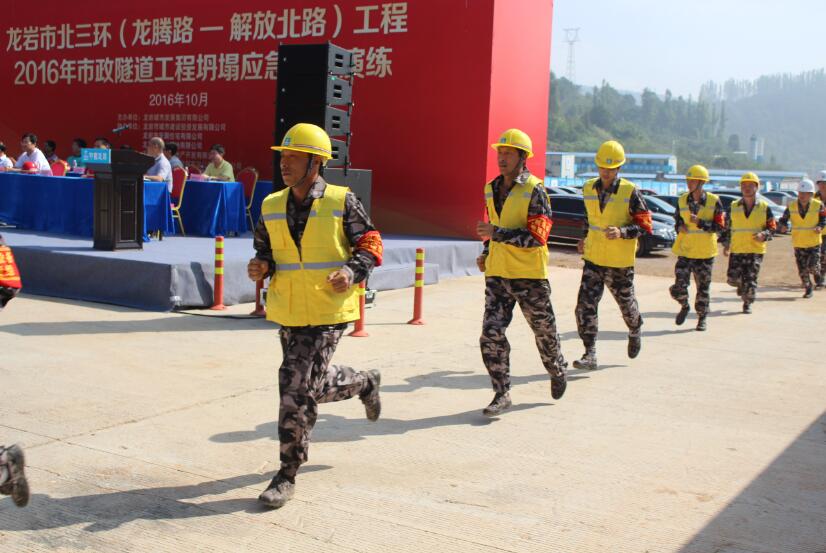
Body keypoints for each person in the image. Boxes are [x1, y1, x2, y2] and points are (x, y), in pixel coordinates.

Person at [248, 123, 383, 509]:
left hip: (327, 310)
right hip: (290, 310)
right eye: (283, 156)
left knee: (293, 383)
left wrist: (351, 271)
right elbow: (265, 250)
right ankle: (364, 382)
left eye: (293, 157)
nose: (284, 163)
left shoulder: (341, 200)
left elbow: (371, 242)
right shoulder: (271, 204)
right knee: (310, 385)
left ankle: (287, 473)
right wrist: (261, 266)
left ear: (316, 162)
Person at [475, 128, 567, 417]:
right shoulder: (491, 188)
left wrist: (496, 234)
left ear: (522, 157)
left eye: (508, 153)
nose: (501, 158)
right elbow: (495, 229)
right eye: (499, 152)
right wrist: (487, 252)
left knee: (544, 331)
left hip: (529, 277)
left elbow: (537, 237)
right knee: (490, 334)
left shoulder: (535, 190)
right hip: (498, 275)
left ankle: (557, 369)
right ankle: (501, 393)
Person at [573, 140, 652, 370]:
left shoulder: (630, 191)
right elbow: (589, 219)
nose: (606, 172)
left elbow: (646, 225)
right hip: (593, 259)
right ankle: (590, 353)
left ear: (619, 168)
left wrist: (622, 232)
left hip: (619, 263)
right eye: (602, 167)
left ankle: (635, 328)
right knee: (584, 306)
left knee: (626, 305)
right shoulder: (588, 188)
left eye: (611, 168)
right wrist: (584, 238)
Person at [669, 165, 725, 331]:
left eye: (692, 180)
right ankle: (684, 305)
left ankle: (702, 318)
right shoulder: (682, 200)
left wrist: (700, 222)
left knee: (703, 288)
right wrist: (679, 226)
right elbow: (677, 221)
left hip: (704, 253)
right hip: (685, 251)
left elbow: (720, 227)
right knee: (678, 287)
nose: (689, 183)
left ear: (701, 182)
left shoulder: (714, 201)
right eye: (688, 180)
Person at [720, 172, 776, 313]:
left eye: (751, 185)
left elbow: (772, 227)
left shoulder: (764, 207)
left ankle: (747, 302)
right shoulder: (733, 206)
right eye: (744, 185)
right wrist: (726, 244)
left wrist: (764, 235)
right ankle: (740, 285)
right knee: (732, 279)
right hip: (737, 249)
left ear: (757, 187)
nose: (747, 188)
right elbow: (727, 227)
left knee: (751, 279)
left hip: (755, 250)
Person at [777, 179, 825, 298]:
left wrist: (820, 226)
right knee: (802, 269)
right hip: (799, 242)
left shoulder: (818, 205)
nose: (802, 196)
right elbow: (783, 219)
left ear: (811, 194)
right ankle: (808, 289)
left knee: (813, 267)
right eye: (800, 193)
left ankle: (818, 275)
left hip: (814, 242)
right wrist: (782, 226)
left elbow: (824, 219)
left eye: (805, 193)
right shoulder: (792, 206)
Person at [815, 171, 826, 289]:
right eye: (821, 183)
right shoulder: (812, 198)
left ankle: (822, 278)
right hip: (815, 233)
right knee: (817, 257)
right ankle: (819, 278)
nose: (824, 185)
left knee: (824, 255)